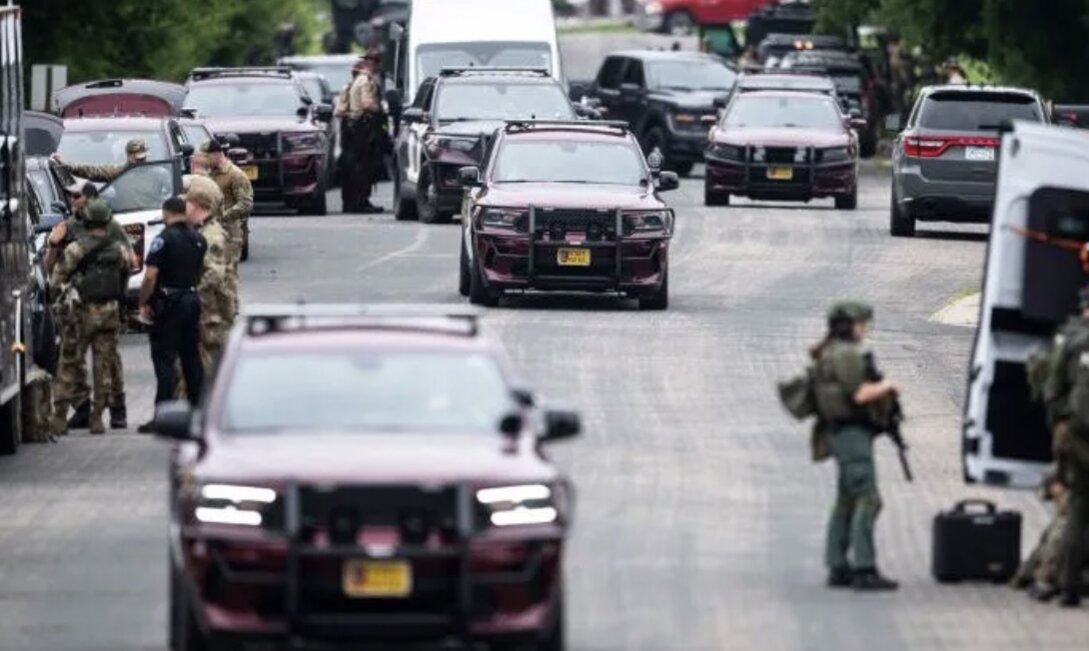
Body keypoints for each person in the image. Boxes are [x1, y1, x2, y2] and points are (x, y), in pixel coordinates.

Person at [810, 302, 900, 591]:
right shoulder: (846, 353)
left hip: (841, 433)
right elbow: (859, 394)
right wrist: (887, 387)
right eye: (860, 323)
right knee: (868, 499)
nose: (864, 328)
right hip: (852, 435)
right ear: (848, 326)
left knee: (847, 498)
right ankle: (864, 568)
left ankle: (837, 564)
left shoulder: (830, 351)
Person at [46, 180, 135, 431]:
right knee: (90, 364)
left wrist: (57, 297)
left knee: (91, 363)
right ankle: (90, 412)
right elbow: (126, 271)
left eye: (76, 196)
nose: (72, 200)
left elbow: (56, 279)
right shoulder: (68, 228)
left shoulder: (105, 234)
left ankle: (109, 409)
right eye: (70, 196)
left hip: (86, 309)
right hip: (93, 309)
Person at [136, 197, 206, 432]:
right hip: (192, 299)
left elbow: (150, 276)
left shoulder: (163, 239)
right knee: (191, 358)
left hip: (169, 303)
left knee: (164, 359)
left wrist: (143, 301)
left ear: (166, 213)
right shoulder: (198, 239)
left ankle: (162, 415)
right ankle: (199, 411)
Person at [1043, 285, 1089, 607]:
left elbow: (1053, 389)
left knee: (1078, 508)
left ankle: (1068, 584)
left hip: (1075, 433)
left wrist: (1061, 424)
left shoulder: (1071, 340)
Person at [183, 185, 235, 372]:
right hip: (206, 313)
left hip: (211, 314)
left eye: (186, 203)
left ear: (197, 205)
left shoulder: (211, 236)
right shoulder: (201, 231)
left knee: (210, 370)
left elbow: (214, 274)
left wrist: (192, 297)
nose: (183, 208)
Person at [1011, 466, 1075, 601]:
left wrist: (1041, 581)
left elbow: (1050, 549)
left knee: (1056, 539)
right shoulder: (1063, 515)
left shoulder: (1067, 519)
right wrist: (1022, 576)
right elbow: (1041, 548)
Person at [345, 49, 387, 214]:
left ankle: (356, 201)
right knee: (365, 166)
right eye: (375, 62)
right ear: (374, 64)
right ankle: (362, 201)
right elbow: (367, 104)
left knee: (358, 166)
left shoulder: (358, 80)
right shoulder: (366, 81)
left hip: (355, 126)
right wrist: (380, 110)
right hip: (363, 127)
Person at [202, 140, 252, 274]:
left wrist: (224, 216)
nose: (204, 160)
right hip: (211, 231)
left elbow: (245, 203)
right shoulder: (208, 174)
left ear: (217, 154)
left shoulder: (236, 175)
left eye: (207, 157)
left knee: (227, 274)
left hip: (230, 232)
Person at [335, 61, 363, 212]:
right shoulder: (348, 88)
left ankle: (361, 201)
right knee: (350, 168)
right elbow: (339, 112)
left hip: (360, 133)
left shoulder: (363, 87)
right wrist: (353, 115)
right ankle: (350, 203)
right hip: (351, 134)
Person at [53, 138, 149, 182]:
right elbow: (91, 171)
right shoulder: (119, 173)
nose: (142, 161)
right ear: (129, 156)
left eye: (144, 158)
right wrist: (65, 165)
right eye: (139, 159)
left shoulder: (155, 173)